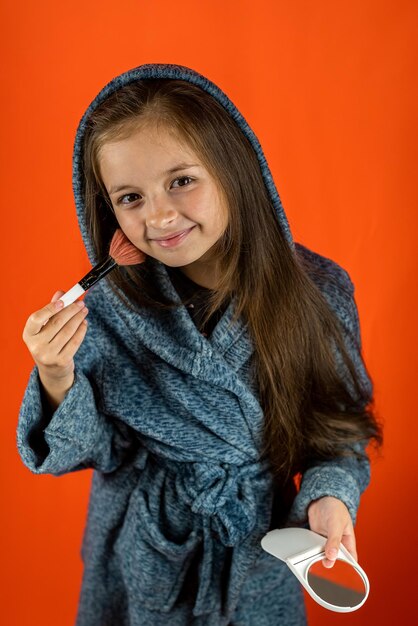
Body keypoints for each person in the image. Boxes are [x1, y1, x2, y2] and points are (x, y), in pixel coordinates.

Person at [17, 63, 382, 626]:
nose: (159, 215)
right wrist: (56, 376)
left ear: (235, 170)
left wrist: (329, 497)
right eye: (130, 197)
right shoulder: (110, 307)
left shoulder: (319, 292)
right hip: (145, 550)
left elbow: (337, 433)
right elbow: (100, 449)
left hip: (260, 545)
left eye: (182, 180)